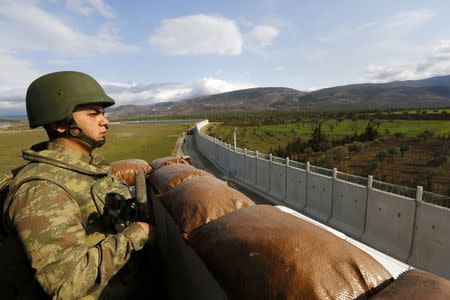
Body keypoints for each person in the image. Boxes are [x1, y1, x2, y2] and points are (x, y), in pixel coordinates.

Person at [1, 71, 153, 299]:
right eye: (93, 114)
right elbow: (68, 284)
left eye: (102, 113)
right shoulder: (42, 190)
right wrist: (138, 233)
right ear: (61, 124)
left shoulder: (87, 169)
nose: (105, 121)